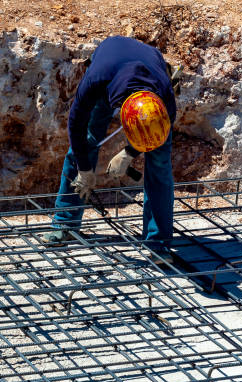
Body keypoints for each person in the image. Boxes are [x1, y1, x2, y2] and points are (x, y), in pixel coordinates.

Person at [42, 36, 181, 264]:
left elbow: (162, 129)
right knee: (87, 140)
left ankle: (158, 242)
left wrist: (129, 153)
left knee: (159, 164)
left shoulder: (164, 97)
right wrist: (85, 170)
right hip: (110, 69)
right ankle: (65, 223)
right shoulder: (96, 81)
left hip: (151, 73)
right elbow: (75, 125)